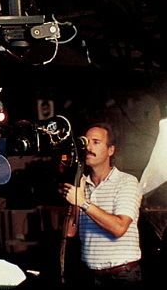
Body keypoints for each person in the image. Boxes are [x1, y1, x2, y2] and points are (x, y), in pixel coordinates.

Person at [61, 123, 143, 288]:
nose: (88, 147)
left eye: (96, 142)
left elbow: (119, 228)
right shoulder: (82, 184)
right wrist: (77, 197)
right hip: (90, 275)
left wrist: (83, 202)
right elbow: (70, 232)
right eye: (86, 142)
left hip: (122, 276)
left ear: (110, 150)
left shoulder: (127, 182)